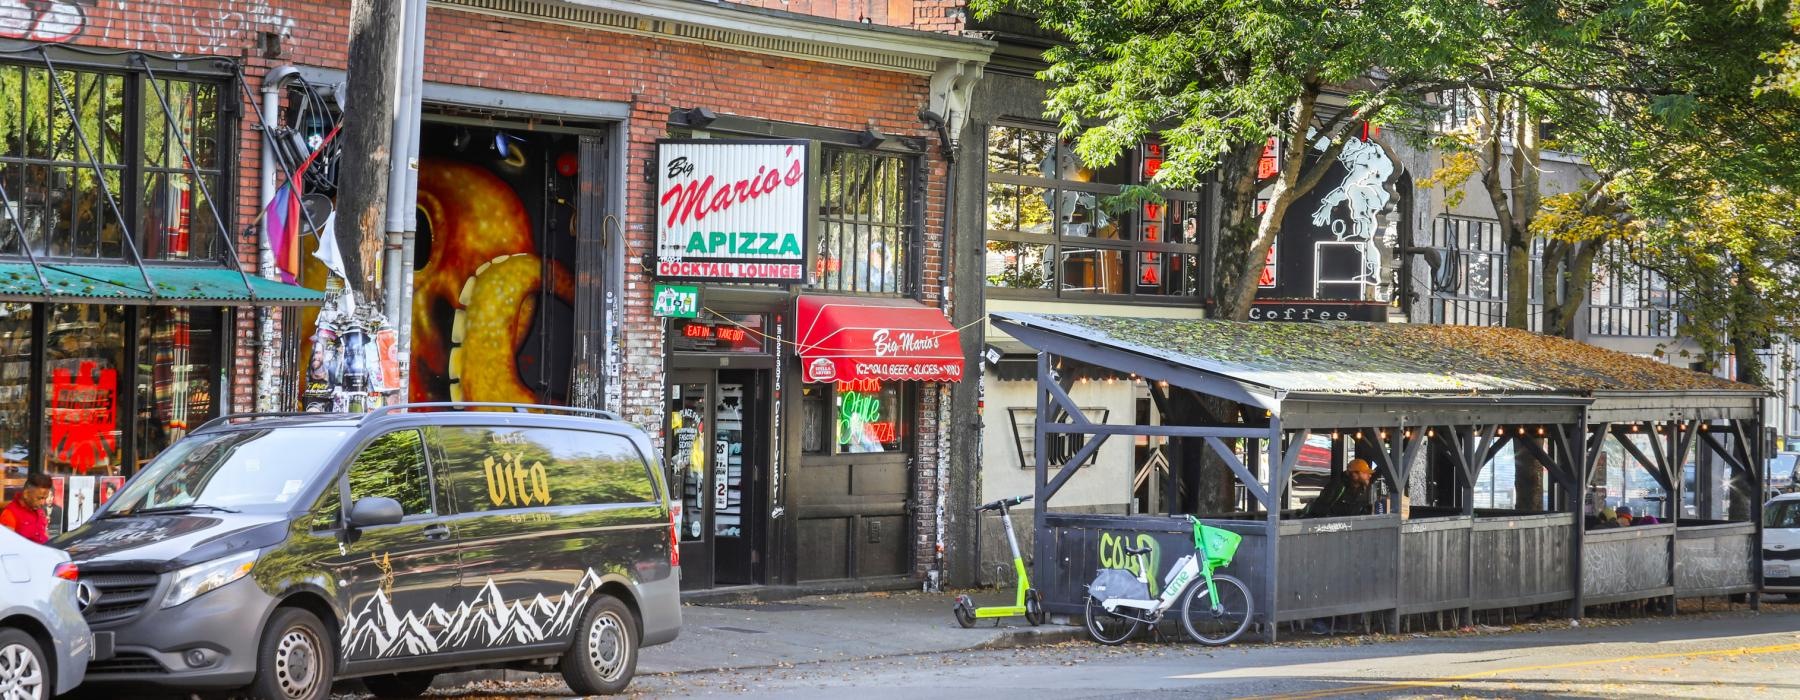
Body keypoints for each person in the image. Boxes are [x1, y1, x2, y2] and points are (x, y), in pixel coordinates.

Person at [1303, 458, 1374, 518]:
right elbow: (1320, 508)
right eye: (1365, 473)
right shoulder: (1337, 487)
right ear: (1354, 474)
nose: (1369, 476)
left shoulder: (1362, 489)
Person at [1, 473, 52, 544]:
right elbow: (6, 545)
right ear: (26, 494)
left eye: (45, 498)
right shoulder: (10, 513)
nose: (43, 503)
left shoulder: (40, 511)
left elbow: (46, 537)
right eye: (39, 498)